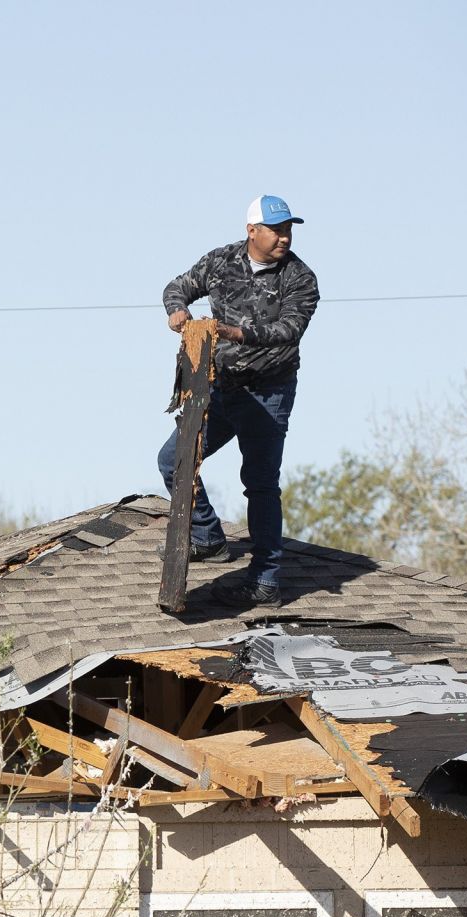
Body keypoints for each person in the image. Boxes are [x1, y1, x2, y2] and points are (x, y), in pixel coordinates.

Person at [157, 195, 320, 608]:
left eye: (288, 230)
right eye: (277, 229)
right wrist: (177, 310)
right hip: (221, 386)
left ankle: (265, 580)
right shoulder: (220, 261)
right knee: (174, 459)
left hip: (269, 392)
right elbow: (178, 286)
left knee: (260, 483)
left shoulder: (300, 278)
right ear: (252, 231)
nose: (284, 237)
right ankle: (208, 537)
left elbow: (289, 330)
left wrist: (232, 332)